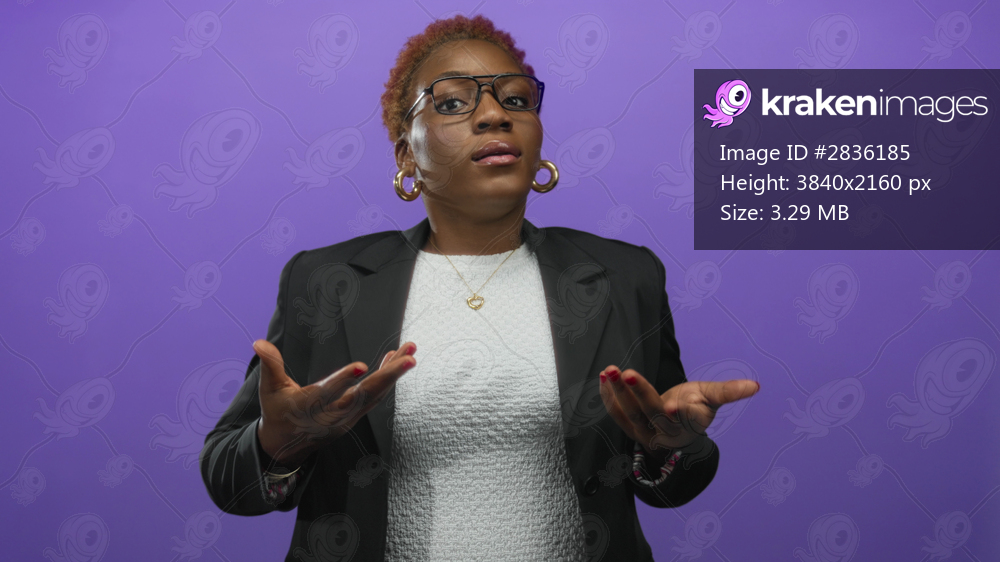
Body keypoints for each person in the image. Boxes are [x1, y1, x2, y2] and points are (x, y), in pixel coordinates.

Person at [199, 14, 759, 562]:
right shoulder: (326, 282)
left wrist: (673, 447)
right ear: (406, 154)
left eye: (516, 99)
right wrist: (279, 443)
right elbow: (230, 483)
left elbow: (668, 484)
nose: (495, 114)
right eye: (452, 102)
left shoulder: (624, 275)